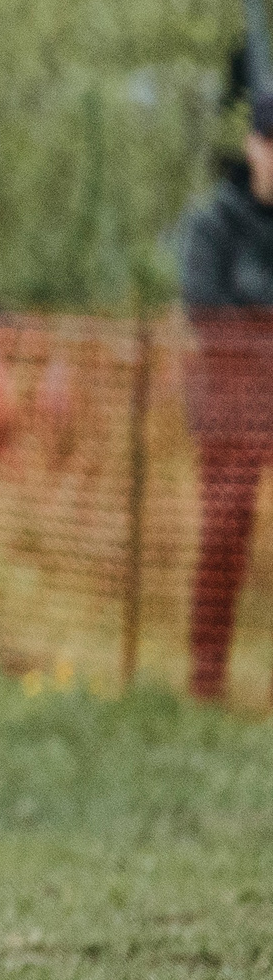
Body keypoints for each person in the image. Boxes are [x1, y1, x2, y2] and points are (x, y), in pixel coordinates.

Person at [179, 91, 273, 703]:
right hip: (230, 403)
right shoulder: (214, 223)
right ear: (254, 146)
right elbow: (203, 307)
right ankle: (206, 676)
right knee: (224, 530)